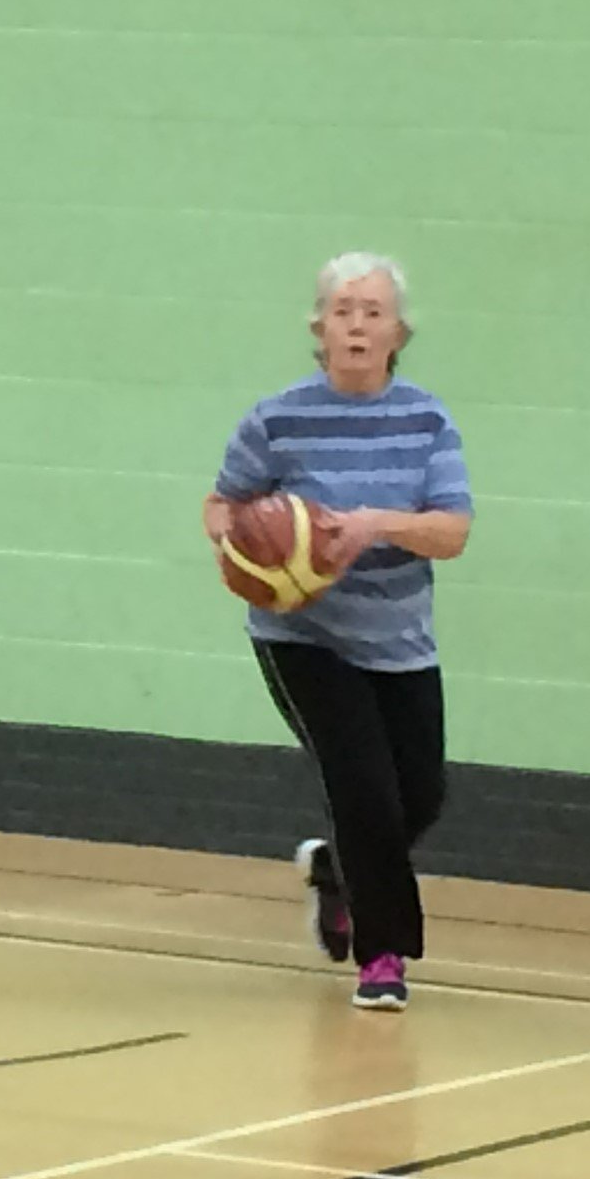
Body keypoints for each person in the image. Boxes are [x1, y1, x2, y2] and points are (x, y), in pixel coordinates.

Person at [204, 252, 473, 1012]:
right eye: (343, 310)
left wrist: (372, 526)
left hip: (398, 637)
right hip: (303, 637)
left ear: (397, 332)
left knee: (419, 796)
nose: (356, 324)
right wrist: (260, 554)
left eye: (372, 312)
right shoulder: (275, 418)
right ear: (319, 329)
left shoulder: (426, 420)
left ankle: (332, 870)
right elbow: (221, 507)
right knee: (364, 793)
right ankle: (381, 956)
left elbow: (451, 532)